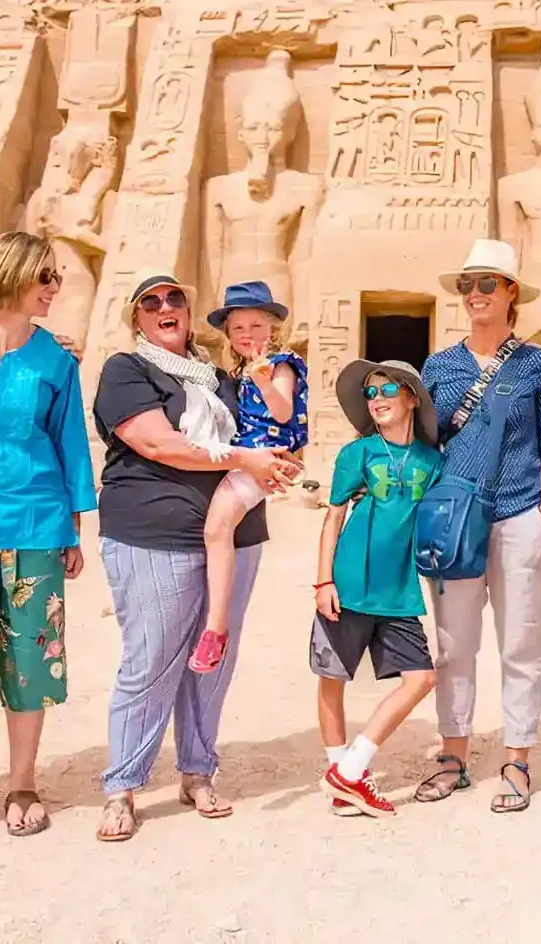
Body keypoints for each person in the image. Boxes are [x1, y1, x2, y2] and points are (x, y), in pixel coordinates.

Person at [92, 271, 300, 841]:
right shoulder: (127, 369)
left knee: (214, 657)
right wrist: (245, 458)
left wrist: (278, 458)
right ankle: (122, 785)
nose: (165, 306)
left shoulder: (221, 377)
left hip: (236, 534)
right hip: (153, 532)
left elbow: (267, 432)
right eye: (151, 302)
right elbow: (156, 442)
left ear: (188, 313)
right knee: (152, 660)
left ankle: (198, 770)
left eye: (175, 298)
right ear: (137, 318)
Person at [414, 238, 541, 813]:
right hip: (457, 519)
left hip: (521, 511)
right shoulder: (439, 366)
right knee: (453, 644)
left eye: (485, 284)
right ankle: (453, 754)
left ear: (510, 293)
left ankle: (516, 760)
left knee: (521, 641)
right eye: (466, 285)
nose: (474, 294)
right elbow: (423, 443)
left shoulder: (537, 363)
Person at [312, 359, 441, 817]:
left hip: (400, 588)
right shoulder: (358, 453)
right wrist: (324, 580)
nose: (377, 399)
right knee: (333, 678)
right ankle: (341, 779)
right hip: (348, 581)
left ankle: (349, 771)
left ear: (411, 398)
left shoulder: (433, 460)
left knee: (422, 678)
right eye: (370, 393)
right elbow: (334, 516)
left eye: (387, 390)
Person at [0, 231, 96, 836]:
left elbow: (70, 443)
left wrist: (74, 526)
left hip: (35, 524)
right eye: (45, 276)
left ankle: (22, 782)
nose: (56, 287)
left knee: (30, 661)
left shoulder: (56, 360)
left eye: (57, 276)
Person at [188, 281, 309, 673]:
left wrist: (262, 379)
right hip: (247, 458)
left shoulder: (281, 365)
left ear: (272, 328)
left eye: (256, 325)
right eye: (238, 327)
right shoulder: (239, 371)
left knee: (217, 528)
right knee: (216, 529)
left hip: (263, 459)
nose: (247, 334)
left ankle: (215, 629)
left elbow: (282, 412)